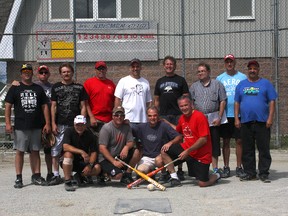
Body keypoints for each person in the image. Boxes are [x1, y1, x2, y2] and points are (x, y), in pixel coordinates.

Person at [5, 63, 51, 188]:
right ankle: (18, 178)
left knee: (35, 151)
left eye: (29, 71)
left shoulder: (38, 89)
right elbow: (8, 106)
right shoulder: (15, 88)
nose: (27, 73)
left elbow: (45, 106)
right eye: (24, 71)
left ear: (32, 73)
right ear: (21, 73)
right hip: (21, 125)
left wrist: (47, 123)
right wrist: (8, 123)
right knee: (20, 151)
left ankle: (36, 175)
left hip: (36, 125)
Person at [161, 95, 220, 187]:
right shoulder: (182, 118)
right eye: (181, 106)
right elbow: (178, 130)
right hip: (188, 151)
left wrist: (188, 151)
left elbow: (203, 139)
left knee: (202, 183)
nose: (184, 108)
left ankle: (216, 175)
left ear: (191, 104)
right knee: (164, 150)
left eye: (186, 105)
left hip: (201, 155)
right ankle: (174, 177)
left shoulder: (200, 117)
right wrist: (167, 124)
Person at [234, 60, 277, 182]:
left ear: (258, 70)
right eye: (250, 69)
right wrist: (237, 118)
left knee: (263, 148)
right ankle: (250, 172)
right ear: (247, 70)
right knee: (247, 149)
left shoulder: (266, 84)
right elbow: (237, 102)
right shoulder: (241, 84)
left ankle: (263, 173)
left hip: (262, 122)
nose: (252, 70)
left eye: (255, 68)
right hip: (246, 122)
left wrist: (270, 118)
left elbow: (272, 101)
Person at [50, 63, 88, 185]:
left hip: (75, 125)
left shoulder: (79, 87)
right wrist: (53, 123)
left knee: (76, 149)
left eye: (68, 71)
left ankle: (77, 174)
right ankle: (56, 174)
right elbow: (53, 106)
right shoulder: (55, 87)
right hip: (60, 123)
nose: (66, 74)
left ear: (72, 73)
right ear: (60, 74)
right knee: (56, 150)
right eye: (64, 72)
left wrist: (82, 121)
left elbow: (83, 106)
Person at [154, 55, 190, 180]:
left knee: (179, 141)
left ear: (174, 66)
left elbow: (186, 97)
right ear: (164, 66)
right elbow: (157, 100)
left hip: (178, 115)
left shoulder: (181, 80)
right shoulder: (159, 81)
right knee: (165, 142)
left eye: (171, 64)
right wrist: (157, 113)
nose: (169, 66)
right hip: (164, 115)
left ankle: (179, 170)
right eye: (167, 64)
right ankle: (166, 171)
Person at [189, 62, 227, 174]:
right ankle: (199, 167)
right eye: (199, 71)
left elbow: (223, 101)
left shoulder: (217, 84)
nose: (200, 73)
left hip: (213, 119)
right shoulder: (194, 87)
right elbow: (191, 103)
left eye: (203, 71)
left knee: (214, 144)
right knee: (199, 144)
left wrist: (220, 117)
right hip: (200, 120)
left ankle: (215, 168)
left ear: (208, 72)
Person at [216, 54, 247, 178]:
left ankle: (239, 167)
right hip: (225, 114)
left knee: (239, 141)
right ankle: (226, 166)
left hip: (239, 114)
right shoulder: (220, 78)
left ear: (235, 63)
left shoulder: (242, 77)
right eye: (227, 62)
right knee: (226, 141)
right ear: (225, 63)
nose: (229, 64)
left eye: (231, 62)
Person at [133, 106, 182, 180]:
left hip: (159, 156)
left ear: (158, 116)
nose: (152, 118)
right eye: (150, 116)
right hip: (147, 157)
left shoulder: (164, 125)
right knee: (141, 171)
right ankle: (150, 171)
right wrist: (125, 123)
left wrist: (170, 143)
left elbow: (179, 137)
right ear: (147, 116)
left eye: (155, 115)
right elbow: (130, 130)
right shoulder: (141, 127)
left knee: (158, 161)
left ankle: (164, 174)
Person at [98, 106, 140, 185]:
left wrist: (126, 147)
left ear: (124, 116)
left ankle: (127, 174)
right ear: (112, 116)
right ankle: (104, 173)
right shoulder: (106, 128)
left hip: (119, 156)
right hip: (106, 158)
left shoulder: (126, 127)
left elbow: (131, 142)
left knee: (136, 151)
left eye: (121, 115)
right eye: (116, 115)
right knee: (118, 176)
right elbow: (102, 148)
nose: (119, 117)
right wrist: (114, 162)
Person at [61, 115, 101, 191]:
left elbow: (94, 152)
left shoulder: (90, 134)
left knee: (97, 168)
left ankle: (80, 175)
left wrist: (90, 165)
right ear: (74, 124)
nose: (79, 127)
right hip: (70, 160)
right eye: (77, 125)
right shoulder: (69, 131)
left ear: (85, 125)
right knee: (68, 154)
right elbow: (65, 147)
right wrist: (81, 152)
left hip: (83, 161)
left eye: (82, 125)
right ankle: (68, 181)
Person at [114, 58, 152, 130]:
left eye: (137, 66)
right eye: (133, 67)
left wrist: (148, 116)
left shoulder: (145, 82)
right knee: (129, 141)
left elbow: (148, 102)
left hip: (142, 120)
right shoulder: (123, 81)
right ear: (130, 68)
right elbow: (117, 99)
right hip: (128, 119)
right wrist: (118, 115)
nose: (135, 69)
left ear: (141, 68)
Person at [84, 61, 116, 136]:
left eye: (103, 68)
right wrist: (91, 117)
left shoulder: (111, 84)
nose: (101, 71)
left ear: (106, 70)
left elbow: (115, 101)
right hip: (95, 120)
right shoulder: (89, 83)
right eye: (99, 69)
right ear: (95, 70)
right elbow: (86, 102)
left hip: (109, 120)